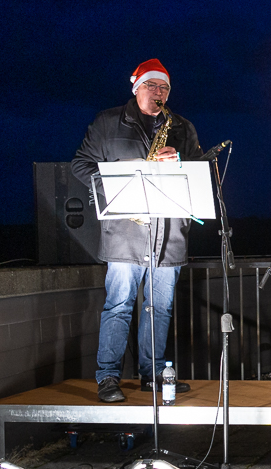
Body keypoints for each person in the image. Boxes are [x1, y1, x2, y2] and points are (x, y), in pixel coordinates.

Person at [72, 59, 203, 403]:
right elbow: (81, 164)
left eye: (164, 88)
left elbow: (201, 174)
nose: (159, 93)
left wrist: (179, 165)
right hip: (125, 232)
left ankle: (153, 374)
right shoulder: (106, 122)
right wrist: (119, 175)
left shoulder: (182, 127)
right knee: (118, 305)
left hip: (169, 233)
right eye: (151, 86)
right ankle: (108, 377)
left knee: (159, 309)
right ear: (136, 87)